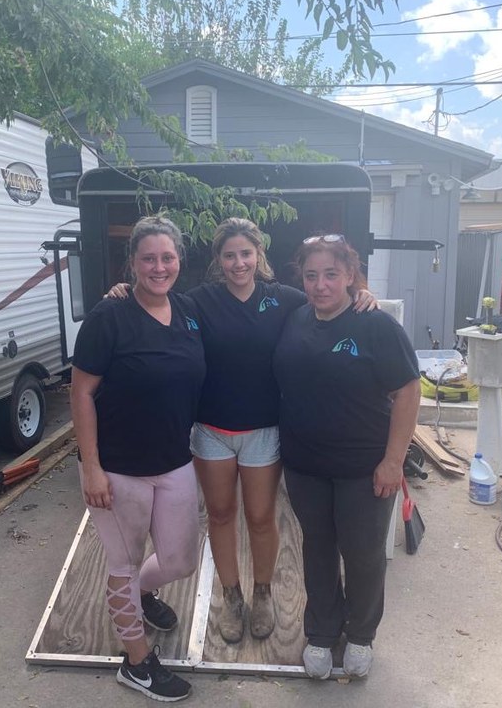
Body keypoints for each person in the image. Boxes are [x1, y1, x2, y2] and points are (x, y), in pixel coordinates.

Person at [107, 217, 376, 645]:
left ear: (258, 254)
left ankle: (262, 593)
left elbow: (327, 301)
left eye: (246, 253)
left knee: (261, 517)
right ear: (219, 259)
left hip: (264, 431)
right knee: (220, 515)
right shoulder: (197, 302)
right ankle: (231, 596)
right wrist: (122, 292)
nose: (239, 263)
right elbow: (152, 300)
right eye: (230, 255)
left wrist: (360, 292)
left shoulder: (283, 299)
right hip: (212, 430)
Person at [273, 234, 421, 679]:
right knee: (317, 550)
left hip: (364, 468)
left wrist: (393, 461)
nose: (320, 285)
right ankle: (321, 632)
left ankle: (360, 633)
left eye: (331, 275)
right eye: (311, 275)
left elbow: (407, 391)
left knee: (363, 554)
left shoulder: (375, 325)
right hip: (306, 467)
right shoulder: (295, 318)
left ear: (350, 275)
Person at [70, 216, 206, 702]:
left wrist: (356, 294)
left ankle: (144, 596)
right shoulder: (109, 316)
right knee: (124, 563)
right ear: (132, 263)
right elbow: (81, 393)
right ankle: (137, 663)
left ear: (179, 260)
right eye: (148, 258)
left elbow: (248, 297)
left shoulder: (188, 310)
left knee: (180, 560)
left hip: (174, 461)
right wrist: (91, 467)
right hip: (117, 467)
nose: (159, 267)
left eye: (167, 257)